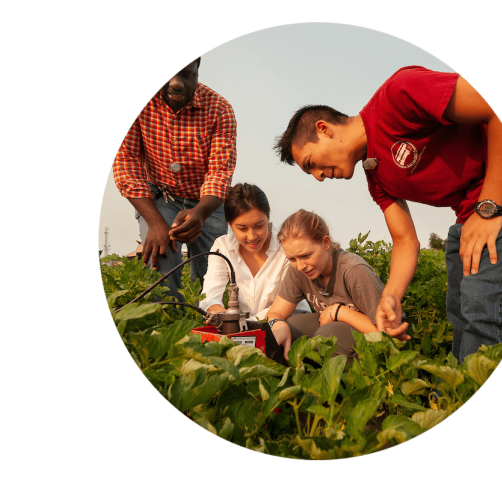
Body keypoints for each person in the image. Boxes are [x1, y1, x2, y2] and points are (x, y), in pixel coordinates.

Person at [273, 66, 502, 363]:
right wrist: (391, 297)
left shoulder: (399, 95)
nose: (318, 177)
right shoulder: (376, 176)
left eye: (311, 163)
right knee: (462, 315)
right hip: (468, 215)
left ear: (324, 129)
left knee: (485, 312)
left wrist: (488, 209)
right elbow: (405, 241)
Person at [113, 56, 237, 303]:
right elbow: (127, 165)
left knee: (211, 269)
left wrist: (200, 213)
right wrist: (155, 223)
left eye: (186, 75)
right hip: (160, 196)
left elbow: (220, 173)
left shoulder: (220, 109)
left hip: (206, 202)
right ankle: (169, 322)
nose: (175, 84)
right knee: (161, 258)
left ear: (197, 71)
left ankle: (207, 327)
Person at [265, 209, 384, 362]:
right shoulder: (299, 271)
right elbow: (275, 313)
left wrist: (339, 312)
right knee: (291, 326)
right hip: (336, 331)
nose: (300, 266)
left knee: (328, 335)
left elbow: (385, 333)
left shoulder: (354, 271)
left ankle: (350, 381)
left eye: (306, 255)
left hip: (370, 342)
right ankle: (303, 377)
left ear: (326, 243)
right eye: (292, 259)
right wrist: (277, 324)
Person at [200, 183, 311, 321]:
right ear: (230, 224)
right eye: (242, 228)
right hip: (247, 326)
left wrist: (241, 326)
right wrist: (223, 317)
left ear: (268, 217)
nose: (252, 236)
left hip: (290, 319)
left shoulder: (286, 246)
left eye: (259, 226)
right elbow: (210, 296)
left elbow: (284, 305)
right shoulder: (222, 247)